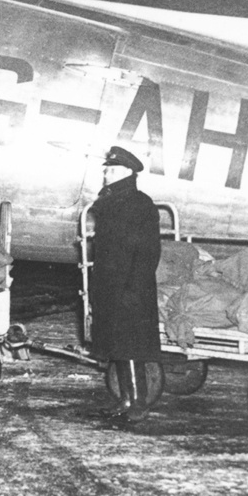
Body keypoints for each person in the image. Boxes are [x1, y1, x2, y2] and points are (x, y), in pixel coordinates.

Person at [85, 145, 161, 424]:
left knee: (130, 348)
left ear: (128, 173)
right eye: (106, 169)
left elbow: (148, 253)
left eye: (112, 169)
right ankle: (126, 400)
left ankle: (138, 404)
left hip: (131, 289)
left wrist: (133, 290)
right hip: (110, 287)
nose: (106, 173)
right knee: (117, 346)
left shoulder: (139, 204)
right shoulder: (112, 203)